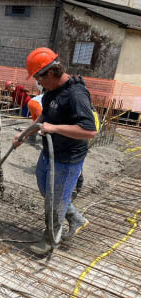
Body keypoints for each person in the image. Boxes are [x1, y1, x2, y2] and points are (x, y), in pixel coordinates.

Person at [13, 47, 99, 255]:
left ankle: (50, 240)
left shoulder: (76, 95)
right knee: (46, 189)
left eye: (38, 78)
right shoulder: (53, 90)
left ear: (51, 73)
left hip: (67, 159)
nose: (38, 83)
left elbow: (90, 131)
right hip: (50, 153)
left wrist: (55, 128)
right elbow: (45, 116)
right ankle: (76, 218)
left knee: (55, 201)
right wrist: (24, 134)